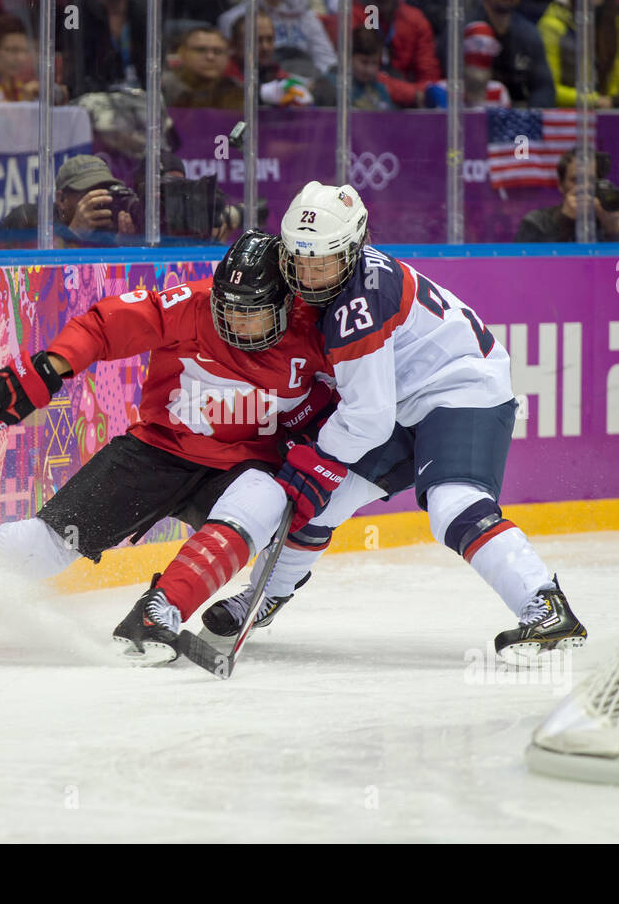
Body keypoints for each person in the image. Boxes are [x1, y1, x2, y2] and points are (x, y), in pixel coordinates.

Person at [0, 231, 335, 664]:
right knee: (39, 545)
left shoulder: (316, 333)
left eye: (250, 313)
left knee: (265, 498)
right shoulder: (191, 304)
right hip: (158, 451)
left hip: (246, 464)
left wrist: (325, 448)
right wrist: (49, 368)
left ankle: (162, 610)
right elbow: (104, 327)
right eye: (227, 308)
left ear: (285, 303)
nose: (234, 322)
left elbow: (356, 401)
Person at [199, 182, 588, 662]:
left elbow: (367, 417)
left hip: (461, 387)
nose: (310, 275)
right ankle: (263, 595)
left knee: (452, 503)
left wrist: (317, 461)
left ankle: (544, 604)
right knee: (321, 505)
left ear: (355, 246)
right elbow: (370, 407)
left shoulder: (357, 303)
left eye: (323, 260)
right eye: (300, 260)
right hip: (400, 402)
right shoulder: (343, 282)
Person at [0, 154, 138, 249]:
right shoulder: (28, 221)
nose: (100, 200)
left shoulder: (109, 229)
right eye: (90, 192)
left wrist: (124, 249)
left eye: (106, 190)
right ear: (61, 199)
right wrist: (74, 234)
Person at [348, 0, 445, 109]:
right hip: (364, 105)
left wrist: (418, 94)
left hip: (410, 111)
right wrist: (412, 94)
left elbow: (429, 79)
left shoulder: (415, 20)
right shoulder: (352, 16)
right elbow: (357, 72)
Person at [218, 0, 337, 76]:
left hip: (306, 82)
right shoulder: (234, 18)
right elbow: (229, 61)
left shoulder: (306, 16)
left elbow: (326, 60)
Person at [514, 148, 619, 243]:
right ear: (561, 185)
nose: (585, 186)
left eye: (591, 179)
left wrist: (614, 228)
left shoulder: (606, 219)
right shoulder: (537, 221)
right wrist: (564, 221)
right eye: (576, 180)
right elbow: (525, 266)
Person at [538, 0, 619, 109]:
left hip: (604, 111)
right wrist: (595, 100)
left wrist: (612, 100)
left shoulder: (613, 23)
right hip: (565, 114)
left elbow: (616, 78)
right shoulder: (552, 26)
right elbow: (548, 87)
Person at [471, 0, 556, 108]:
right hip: (477, 117)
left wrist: (528, 119)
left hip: (519, 119)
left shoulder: (529, 34)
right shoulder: (467, 30)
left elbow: (544, 88)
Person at [162, 26, 245, 109]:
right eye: (200, 50)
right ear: (181, 52)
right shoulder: (162, 87)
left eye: (218, 51)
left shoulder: (238, 90)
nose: (210, 57)